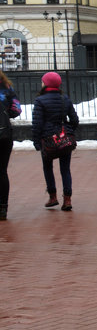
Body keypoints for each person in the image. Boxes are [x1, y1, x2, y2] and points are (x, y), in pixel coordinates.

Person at [31, 72, 78, 211]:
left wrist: (36, 141)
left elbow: (37, 123)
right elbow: (74, 119)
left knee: (47, 167)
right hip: (64, 139)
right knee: (65, 169)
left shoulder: (40, 100)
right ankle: (67, 199)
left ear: (46, 84)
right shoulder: (65, 99)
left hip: (48, 140)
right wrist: (69, 130)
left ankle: (53, 197)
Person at [0, 69, 19, 220]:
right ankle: (3, 208)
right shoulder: (7, 88)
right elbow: (17, 109)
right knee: (2, 171)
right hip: (4, 134)